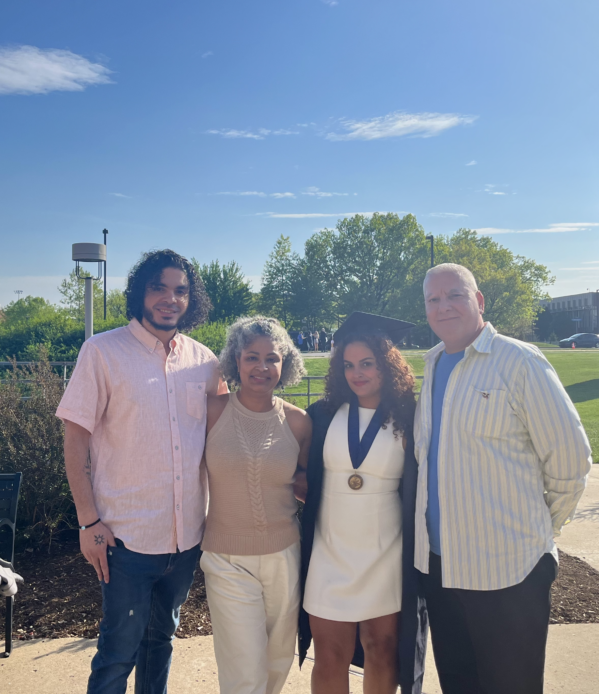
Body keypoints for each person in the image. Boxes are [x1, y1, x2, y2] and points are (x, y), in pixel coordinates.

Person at [416, 263, 592, 694]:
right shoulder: (434, 364)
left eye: (454, 295)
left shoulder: (519, 361)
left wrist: (535, 534)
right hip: (441, 569)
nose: (444, 306)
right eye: (433, 300)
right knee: (459, 685)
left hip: (508, 572)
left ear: (478, 301)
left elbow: (571, 461)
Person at [57, 249, 227, 694]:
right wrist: (88, 521)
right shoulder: (101, 352)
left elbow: (227, 437)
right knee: (117, 653)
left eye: (180, 290)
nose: (170, 299)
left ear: (192, 299)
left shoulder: (205, 362)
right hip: (125, 539)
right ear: (140, 292)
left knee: (161, 643)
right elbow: (75, 442)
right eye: (159, 288)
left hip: (186, 537)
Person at [299, 312, 428, 694]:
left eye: (367, 364)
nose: (357, 373)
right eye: (349, 365)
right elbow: (296, 472)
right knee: (329, 653)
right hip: (329, 549)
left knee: (382, 648)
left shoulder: (410, 417)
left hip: (384, 551)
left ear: (387, 364)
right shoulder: (322, 415)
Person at [201, 316, 312, 694]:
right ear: (236, 361)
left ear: (287, 364)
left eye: (272, 358)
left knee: (278, 661)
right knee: (244, 669)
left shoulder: (299, 422)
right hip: (226, 557)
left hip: (285, 555)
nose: (262, 367)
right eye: (251, 357)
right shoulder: (211, 411)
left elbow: (308, 483)